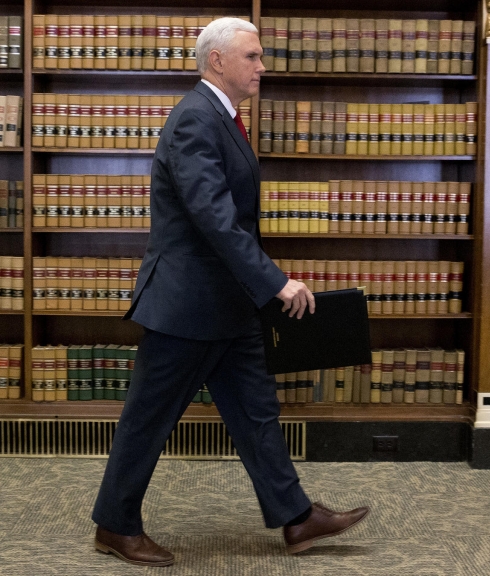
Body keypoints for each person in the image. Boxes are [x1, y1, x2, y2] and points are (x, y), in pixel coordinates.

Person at [90, 17, 369, 568]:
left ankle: (295, 517)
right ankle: (115, 526)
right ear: (217, 60)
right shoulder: (196, 118)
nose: (262, 66)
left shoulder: (222, 116)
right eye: (253, 56)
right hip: (187, 306)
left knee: (256, 412)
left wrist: (259, 286)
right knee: (149, 419)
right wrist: (276, 281)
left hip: (228, 306)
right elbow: (215, 219)